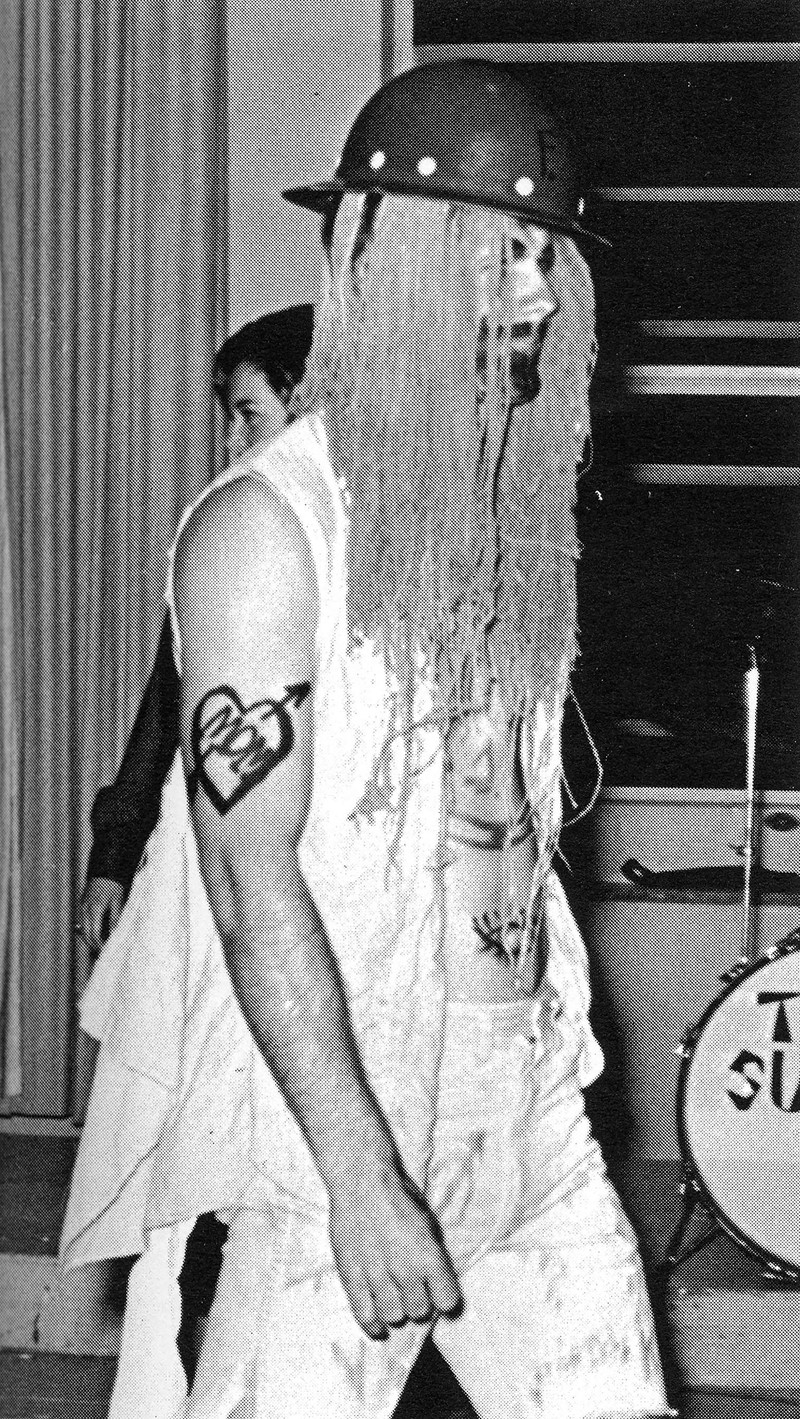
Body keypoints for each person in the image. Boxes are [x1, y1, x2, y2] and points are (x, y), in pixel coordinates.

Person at [61, 61, 674, 1419]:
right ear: (390, 259)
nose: (535, 293)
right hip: (334, 1128)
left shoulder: (504, 514)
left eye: (546, 258)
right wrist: (356, 1171)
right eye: (499, 253)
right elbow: (247, 875)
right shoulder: (265, 530)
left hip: (526, 1110)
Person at [78, 305, 314, 954]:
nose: (234, 442)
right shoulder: (228, 539)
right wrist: (114, 858)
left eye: (249, 415)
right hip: (222, 858)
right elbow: (164, 706)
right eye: (230, 418)